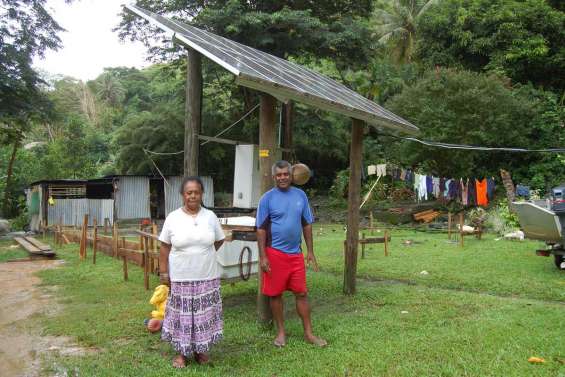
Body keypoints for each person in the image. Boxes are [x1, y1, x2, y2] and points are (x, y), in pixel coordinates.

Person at [256, 160, 327, 348]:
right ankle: (281, 333)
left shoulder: (301, 196)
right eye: (278, 175)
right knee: (276, 294)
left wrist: (310, 251)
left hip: (296, 254)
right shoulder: (267, 199)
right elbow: (261, 230)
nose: (282, 178)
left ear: (291, 175)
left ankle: (309, 333)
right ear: (274, 177)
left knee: (302, 293)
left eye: (285, 174)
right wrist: (263, 256)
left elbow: (307, 224)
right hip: (274, 254)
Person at [158, 176, 225, 368]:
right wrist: (164, 274)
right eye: (189, 192)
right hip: (181, 277)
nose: (193, 196)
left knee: (204, 315)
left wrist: (204, 254)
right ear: (182, 195)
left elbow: (219, 240)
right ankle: (182, 353)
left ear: (202, 194)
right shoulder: (173, 218)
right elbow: (164, 247)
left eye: (196, 192)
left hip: (207, 276)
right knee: (183, 316)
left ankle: (201, 350)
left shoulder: (210, 216)